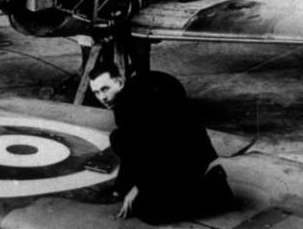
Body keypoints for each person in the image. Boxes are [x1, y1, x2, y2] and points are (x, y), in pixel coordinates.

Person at [89, 63, 232, 223]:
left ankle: (214, 192)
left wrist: (138, 188)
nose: (102, 97)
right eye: (96, 92)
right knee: (120, 138)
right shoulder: (132, 94)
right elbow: (137, 150)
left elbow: (156, 151)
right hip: (189, 150)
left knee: (148, 212)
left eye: (105, 89)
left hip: (184, 156)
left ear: (120, 82)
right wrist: (121, 188)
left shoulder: (128, 106)